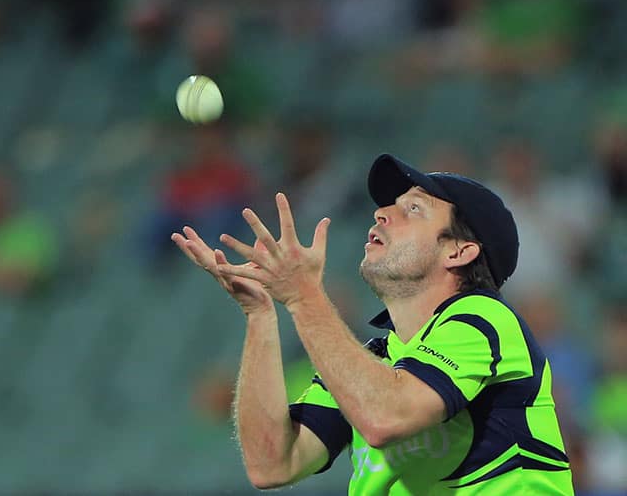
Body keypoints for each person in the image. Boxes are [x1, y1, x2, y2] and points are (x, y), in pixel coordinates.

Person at [172, 153, 574, 493]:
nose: (382, 213)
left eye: (413, 209)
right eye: (389, 206)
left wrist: (302, 295)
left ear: (459, 251)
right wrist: (259, 315)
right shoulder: (372, 361)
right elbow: (273, 464)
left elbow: (387, 417)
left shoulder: (485, 318)